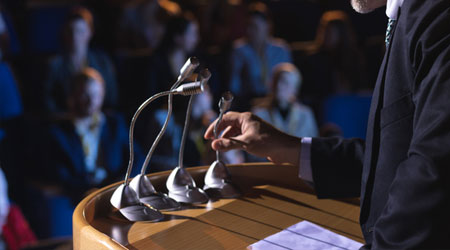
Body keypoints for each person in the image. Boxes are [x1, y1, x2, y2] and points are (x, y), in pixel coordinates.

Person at [205, 0, 450, 248]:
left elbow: (435, 167)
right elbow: (393, 159)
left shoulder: (438, 14)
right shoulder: (412, 14)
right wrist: (291, 148)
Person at [43, 68, 142, 203]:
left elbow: (137, 157)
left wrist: (120, 185)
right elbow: (60, 174)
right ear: (72, 97)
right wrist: (87, 192)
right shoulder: (59, 132)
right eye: (85, 95)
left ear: (102, 95)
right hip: (79, 197)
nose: (90, 101)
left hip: (116, 190)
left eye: (95, 95)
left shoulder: (114, 123)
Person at [43, 6, 118, 115]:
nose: (75, 37)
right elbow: (48, 102)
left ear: (90, 33)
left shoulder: (102, 62)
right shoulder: (54, 65)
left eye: (80, 31)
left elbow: (112, 97)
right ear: (64, 33)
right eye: (71, 31)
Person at [229, 1, 292, 111]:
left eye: (254, 27)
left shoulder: (281, 49)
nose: (249, 31)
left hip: (277, 100)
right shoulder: (239, 50)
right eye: (247, 26)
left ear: (267, 26)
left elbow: (290, 80)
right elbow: (234, 86)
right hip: (251, 101)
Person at [252, 63, 318, 138]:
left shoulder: (306, 115)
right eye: (277, 81)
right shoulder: (259, 114)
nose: (279, 86)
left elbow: (312, 144)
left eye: (285, 82)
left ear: (294, 89)